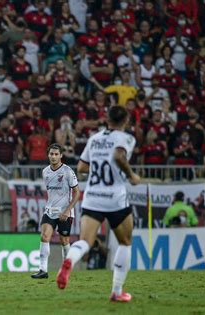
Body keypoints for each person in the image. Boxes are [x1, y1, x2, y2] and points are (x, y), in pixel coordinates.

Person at [57, 106, 141, 302]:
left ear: (107, 119)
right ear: (126, 120)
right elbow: (119, 156)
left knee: (86, 241)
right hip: (115, 198)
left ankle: (69, 260)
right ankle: (117, 291)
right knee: (125, 242)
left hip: (93, 196)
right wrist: (131, 175)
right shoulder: (126, 138)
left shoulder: (95, 139)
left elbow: (82, 167)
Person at [31, 144, 80, 279]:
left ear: (61, 156)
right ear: (48, 155)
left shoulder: (68, 171)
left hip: (65, 212)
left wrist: (68, 210)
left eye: (56, 154)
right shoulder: (45, 171)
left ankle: (65, 270)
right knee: (44, 237)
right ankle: (43, 270)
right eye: (51, 154)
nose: (53, 157)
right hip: (50, 210)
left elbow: (77, 193)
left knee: (64, 241)